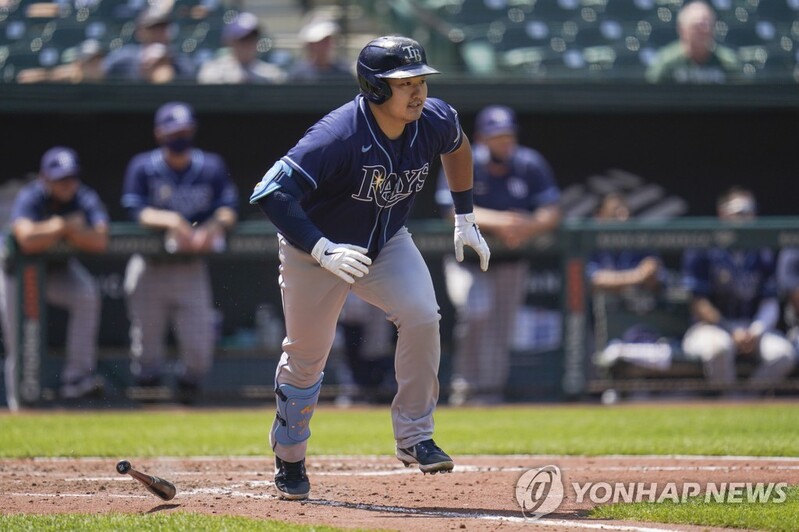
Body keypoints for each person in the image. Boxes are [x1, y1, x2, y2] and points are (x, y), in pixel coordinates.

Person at [248, 35, 490, 500]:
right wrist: (321, 248)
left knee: (422, 316)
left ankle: (415, 436)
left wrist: (465, 215)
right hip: (316, 249)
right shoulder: (338, 134)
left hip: (385, 242)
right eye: (405, 83)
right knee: (306, 358)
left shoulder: (434, 118)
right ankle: (290, 457)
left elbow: (458, 149)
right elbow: (269, 192)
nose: (418, 91)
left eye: (420, 80)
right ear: (377, 88)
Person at [435, 104, 560, 405]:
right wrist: (504, 221)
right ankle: (465, 387)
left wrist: (527, 226)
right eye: (497, 136)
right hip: (468, 261)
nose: (504, 141)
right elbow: (449, 210)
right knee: (477, 312)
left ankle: (490, 393)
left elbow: (552, 211)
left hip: (510, 262)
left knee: (502, 328)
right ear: (481, 138)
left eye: (508, 135)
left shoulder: (529, 163)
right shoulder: (464, 160)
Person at [121, 101, 239, 402]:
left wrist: (212, 227)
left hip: (190, 266)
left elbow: (229, 209)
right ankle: (146, 413)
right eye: (174, 131)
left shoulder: (210, 165)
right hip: (151, 266)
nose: (181, 136)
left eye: (185, 130)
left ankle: (186, 405)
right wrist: (172, 220)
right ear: (160, 133)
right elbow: (136, 211)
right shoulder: (143, 166)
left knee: (199, 350)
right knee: (146, 349)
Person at [0, 147, 108, 407]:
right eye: (60, 179)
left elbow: (100, 239)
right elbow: (26, 239)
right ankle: (21, 405)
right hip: (17, 273)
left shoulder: (83, 197)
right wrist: (62, 226)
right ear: (45, 178)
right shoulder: (32, 196)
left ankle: (76, 378)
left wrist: (61, 233)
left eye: (71, 177)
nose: (67, 184)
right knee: (21, 342)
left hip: (58, 272)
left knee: (86, 295)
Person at [680, 187, 796, 394]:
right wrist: (731, 330)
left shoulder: (762, 251)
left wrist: (755, 331)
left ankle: (745, 400)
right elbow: (698, 303)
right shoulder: (705, 246)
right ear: (723, 214)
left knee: (783, 354)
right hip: (711, 327)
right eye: (740, 211)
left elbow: (769, 301)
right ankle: (729, 401)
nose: (746, 217)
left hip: (752, 327)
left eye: (750, 211)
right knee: (719, 349)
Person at [588, 193, 673, 372]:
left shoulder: (639, 243)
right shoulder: (589, 244)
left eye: (625, 211)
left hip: (637, 324)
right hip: (594, 328)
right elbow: (594, 280)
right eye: (615, 213)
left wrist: (649, 275)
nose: (623, 217)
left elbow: (658, 279)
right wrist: (637, 276)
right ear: (599, 216)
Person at [644, 1, 740, 84]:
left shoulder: (727, 63)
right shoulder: (667, 63)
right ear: (683, 30)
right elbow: (650, 91)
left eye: (707, 26)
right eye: (697, 27)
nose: (703, 32)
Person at [102, 6, 195, 82]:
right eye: (153, 29)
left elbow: (190, 78)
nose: (158, 33)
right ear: (140, 32)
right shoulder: (126, 58)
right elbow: (101, 72)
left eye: (162, 28)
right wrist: (142, 67)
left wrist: (166, 63)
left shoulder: (178, 61)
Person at [197, 11, 287, 84]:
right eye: (243, 39)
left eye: (252, 38)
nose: (248, 44)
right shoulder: (213, 70)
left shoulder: (271, 73)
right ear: (230, 41)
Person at [287, 16, 354, 82]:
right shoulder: (298, 74)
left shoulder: (344, 73)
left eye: (327, 40)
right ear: (310, 45)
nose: (325, 45)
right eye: (320, 41)